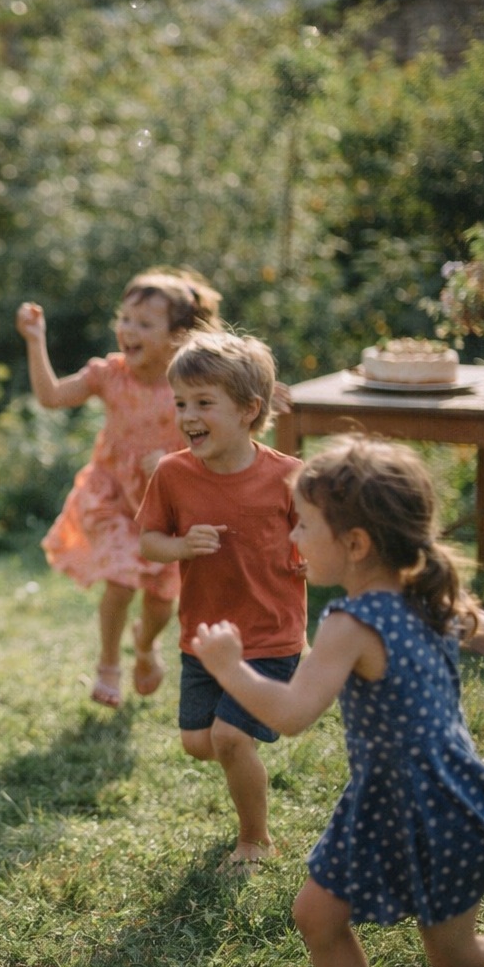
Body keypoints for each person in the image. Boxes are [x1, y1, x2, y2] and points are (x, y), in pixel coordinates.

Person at [192, 436, 484, 967]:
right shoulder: (427, 600)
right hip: (426, 793)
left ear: (354, 543)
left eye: (304, 524)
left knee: (454, 957)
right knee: (319, 917)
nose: (293, 536)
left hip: (418, 802)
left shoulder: (350, 624)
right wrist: (464, 614)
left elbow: (291, 714)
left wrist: (230, 669)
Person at [137, 330, 306, 872]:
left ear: (248, 410)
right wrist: (182, 545)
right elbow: (148, 541)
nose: (188, 415)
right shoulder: (173, 474)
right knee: (197, 741)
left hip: (269, 635)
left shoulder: (287, 476)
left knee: (230, 738)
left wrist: (308, 555)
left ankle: (254, 839)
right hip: (205, 639)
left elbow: (315, 538)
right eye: (181, 402)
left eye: (204, 403)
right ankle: (248, 746)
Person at [16, 268, 221, 708]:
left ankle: (145, 647)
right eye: (125, 318)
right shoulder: (109, 374)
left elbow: (219, 442)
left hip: (167, 504)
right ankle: (109, 663)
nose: (128, 330)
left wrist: (173, 461)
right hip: (110, 495)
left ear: (178, 336)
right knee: (121, 577)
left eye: (144, 323)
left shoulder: (192, 383)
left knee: (161, 600)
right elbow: (52, 396)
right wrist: (36, 340)